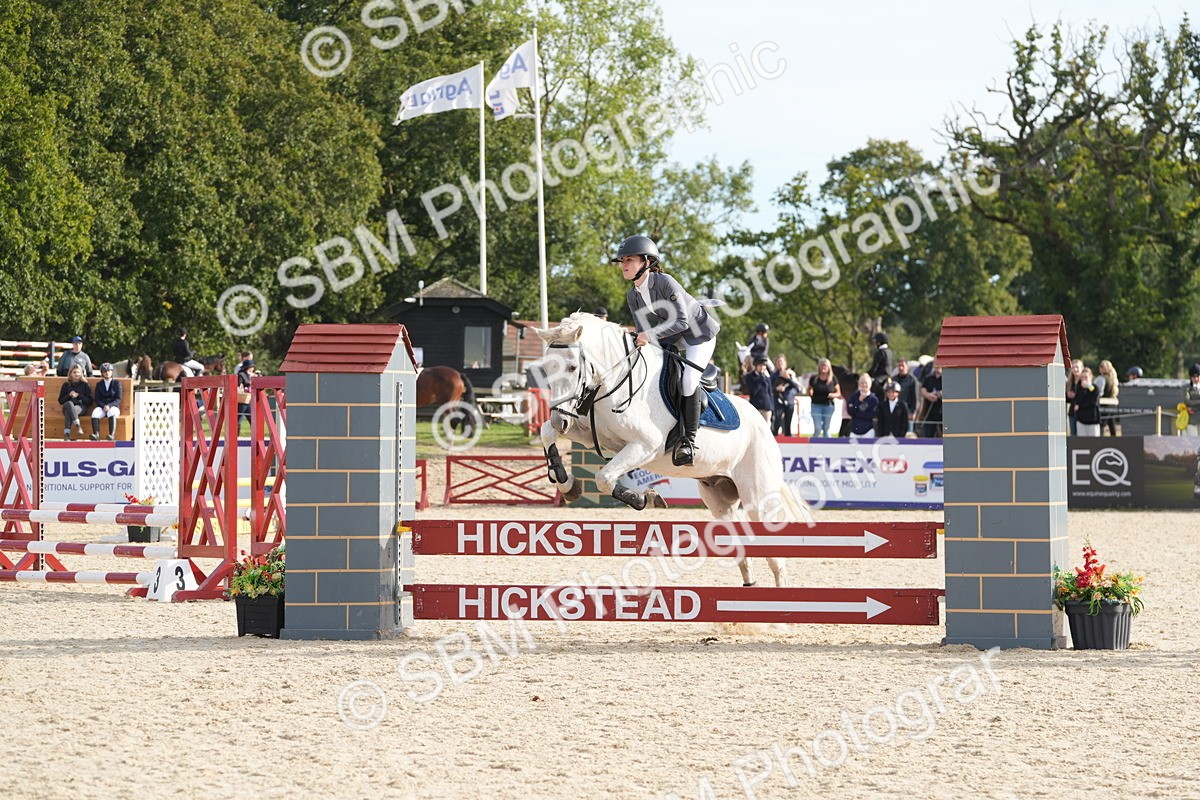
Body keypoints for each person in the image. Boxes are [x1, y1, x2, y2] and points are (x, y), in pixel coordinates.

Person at [616, 235, 720, 466]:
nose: (623, 264)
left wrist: (649, 336)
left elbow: (682, 322)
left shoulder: (665, 282)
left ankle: (688, 441)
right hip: (672, 336)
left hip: (698, 334)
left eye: (629, 259)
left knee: (688, 380)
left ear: (646, 261)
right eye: (622, 260)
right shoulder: (633, 295)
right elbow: (642, 330)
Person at [807, 358, 841, 438]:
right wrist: (810, 391)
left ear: (829, 367)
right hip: (816, 405)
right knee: (818, 428)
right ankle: (813, 444)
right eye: (821, 366)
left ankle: (828, 446)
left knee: (826, 428)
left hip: (828, 406)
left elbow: (838, 393)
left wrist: (833, 395)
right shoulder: (814, 378)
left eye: (825, 366)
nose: (823, 368)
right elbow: (809, 389)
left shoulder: (833, 379)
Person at [771, 355, 803, 436]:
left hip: (789, 401)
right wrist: (776, 389)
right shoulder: (773, 375)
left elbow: (797, 388)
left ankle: (788, 442)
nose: (780, 363)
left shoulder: (791, 374)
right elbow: (768, 389)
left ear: (785, 364)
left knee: (787, 425)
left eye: (781, 362)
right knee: (777, 423)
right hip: (778, 401)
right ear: (775, 364)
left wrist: (788, 378)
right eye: (778, 362)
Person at [59, 364, 92, 440]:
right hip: (67, 405)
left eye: (78, 372)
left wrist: (79, 395)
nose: (76, 374)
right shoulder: (66, 385)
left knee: (69, 412)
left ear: (81, 373)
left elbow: (89, 401)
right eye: (74, 372)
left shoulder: (85, 385)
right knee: (69, 404)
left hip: (81, 407)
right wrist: (69, 395)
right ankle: (78, 426)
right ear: (70, 373)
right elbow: (61, 401)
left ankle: (67, 434)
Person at [90, 362, 122, 440]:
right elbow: (97, 399)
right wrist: (103, 406)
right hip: (102, 406)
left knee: (111, 412)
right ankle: (96, 434)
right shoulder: (99, 384)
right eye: (105, 371)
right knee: (95, 413)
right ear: (102, 373)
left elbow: (118, 398)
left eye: (109, 371)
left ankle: (111, 435)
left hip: (113, 406)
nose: (107, 373)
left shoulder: (117, 383)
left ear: (112, 372)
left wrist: (109, 406)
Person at [742, 356, 774, 424]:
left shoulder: (767, 377)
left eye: (764, 365)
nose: (762, 367)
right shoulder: (750, 376)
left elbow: (770, 393)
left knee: (767, 428)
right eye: (760, 365)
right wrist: (760, 379)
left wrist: (772, 409)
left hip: (766, 406)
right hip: (756, 406)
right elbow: (753, 391)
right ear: (756, 366)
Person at [1072, 368, 1102, 436]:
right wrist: (1083, 390)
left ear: (1091, 377)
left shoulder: (1095, 388)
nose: (1084, 379)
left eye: (1086, 377)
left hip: (1093, 420)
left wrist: (1080, 406)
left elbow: (1093, 402)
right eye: (1082, 377)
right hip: (1081, 420)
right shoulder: (1079, 388)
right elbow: (1077, 401)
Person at [893, 358, 919, 434]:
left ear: (907, 367)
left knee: (908, 434)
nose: (901, 368)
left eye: (903, 366)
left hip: (908, 413)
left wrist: (913, 412)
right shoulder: (894, 379)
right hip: (896, 413)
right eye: (899, 366)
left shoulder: (912, 380)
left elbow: (916, 398)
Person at [847, 374, 878, 438]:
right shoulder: (853, 397)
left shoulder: (874, 399)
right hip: (854, 432)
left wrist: (857, 413)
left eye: (866, 383)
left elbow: (871, 415)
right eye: (861, 383)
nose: (864, 385)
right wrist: (858, 401)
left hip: (868, 431)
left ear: (870, 385)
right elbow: (850, 411)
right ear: (858, 384)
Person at [867, 331, 896, 398]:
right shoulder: (890, 351)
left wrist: (867, 374)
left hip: (880, 378)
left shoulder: (879, 352)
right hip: (889, 376)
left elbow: (874, 367)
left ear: (879, 342)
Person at [919, 359, 944, 438]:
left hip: (943, 412)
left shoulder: (946, 377)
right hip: (930, 412)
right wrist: (928, 395)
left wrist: (940, 394)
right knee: (928, 434)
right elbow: (923, 389)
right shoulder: (928, 378)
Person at [1095, 359, 1120, 436]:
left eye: (1101, 366)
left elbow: (1099, 392)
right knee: (1112, 425)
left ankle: (1100, 442)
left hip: (1103, 405)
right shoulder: (1113, 379)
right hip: (1112, 405)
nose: (1100, 367)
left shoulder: (1101, 378)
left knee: (1101, 425)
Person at [236, 358, 257, 429]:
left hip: (247, 399)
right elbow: (238, 386)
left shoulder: (248, 374)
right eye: (252, 367)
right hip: (242, 399)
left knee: (252, 418)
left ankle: (255, 435)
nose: (253, 369)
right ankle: (235, 435)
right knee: (238, 419)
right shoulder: (241, 375)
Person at [1065, 359, 1083, 435]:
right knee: (1073, 434)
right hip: (1072, 412)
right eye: (1073, 367)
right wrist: (1068, 396)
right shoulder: (1069, 383)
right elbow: (1067, 399)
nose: (1075, 369)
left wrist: (1075, 396)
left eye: (1077, 367)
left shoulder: (1084, 381)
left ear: (1082, 368)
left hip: (1083, 412)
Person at [1184, 363, 1200, 437]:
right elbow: (1187, 401)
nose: (1196, 379)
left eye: (1198, 376)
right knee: (1193, 443)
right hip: (1192, 421)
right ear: (1190, 377)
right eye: (1194, 377)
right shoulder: (1186, 388)